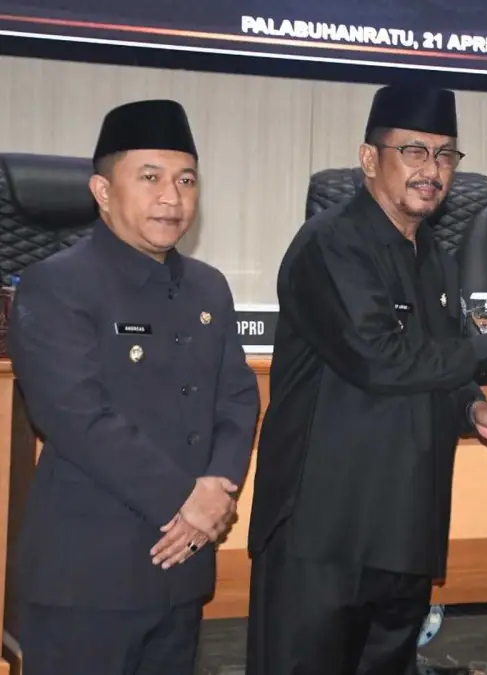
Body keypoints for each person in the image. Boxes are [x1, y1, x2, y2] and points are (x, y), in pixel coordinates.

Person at [244, 84, 487, 675]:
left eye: (444, 155)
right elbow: (378, 359)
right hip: (323, 533)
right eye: (413, 151)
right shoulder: (330, 244)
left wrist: (474, 410)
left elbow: (437, 361)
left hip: (403, 528)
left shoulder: (434, 255)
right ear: (369, 159)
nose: (431, 170)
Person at [8, 99, 261, 675]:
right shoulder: (58, 284)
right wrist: (187, 501)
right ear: (102, 191)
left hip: (182, 569)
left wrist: (218, 490)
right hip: (88, 578)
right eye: (150, 178)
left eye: (186, 180)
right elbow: (75, 416)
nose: (172, 197)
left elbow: (237, 397)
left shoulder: (208, 287)